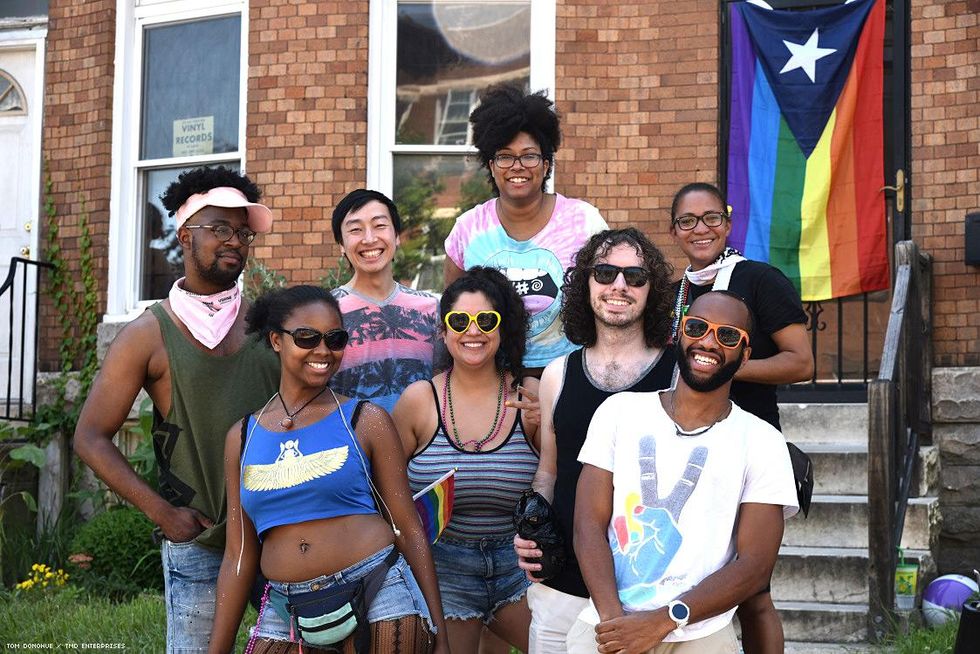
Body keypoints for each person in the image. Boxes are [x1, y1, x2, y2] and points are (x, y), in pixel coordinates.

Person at [73, 166, 280, 653]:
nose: (236, 241)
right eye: (221, 228)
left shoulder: (269, 321)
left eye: (244, 233)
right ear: (185, 234)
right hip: (203, 541)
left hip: (279, 531)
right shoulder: (147, 334)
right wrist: (164, 514)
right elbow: (90, 436)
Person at [208, 285, 448, 654]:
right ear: (276, 340)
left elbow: (407, 527)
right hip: (286, 606)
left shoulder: (365, 420)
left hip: (378, 586)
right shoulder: (242, 436)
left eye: (335, 339)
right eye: (307, 337)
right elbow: (238, 554)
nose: (323, 351)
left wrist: (440, 634)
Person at [571, 291, 799, 654]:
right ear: (680, 333)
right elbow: (587, 524)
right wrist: (616, 624)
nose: (708, 341)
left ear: (744, 355)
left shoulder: (762, 441)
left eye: (727, 336)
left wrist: (663, 621)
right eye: (697, 327)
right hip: (607, 625)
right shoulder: (618, 412)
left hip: (700, 633)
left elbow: (755, 565)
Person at [512, 228, 676, 653]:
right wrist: (531, 528)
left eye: (635, 277)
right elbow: (549, 470)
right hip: (561, 585)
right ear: (585, 283)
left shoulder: (679, 376)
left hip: (649, 591)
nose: (618, 286)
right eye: (604, 273)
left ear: (651, 290)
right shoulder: (557, 375)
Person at [668, 182, 814, 653]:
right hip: (683, 449)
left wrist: (718, 365)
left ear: (727, 224)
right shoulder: (673, 293)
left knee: (752, 590)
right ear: (674, 232)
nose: (700, 229)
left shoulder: (759, 280)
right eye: (687, 221)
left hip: (748, 447)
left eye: (711, 217)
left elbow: (801, 362)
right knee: (687, 579)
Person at [393, 267, 541, 654]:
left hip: (518, 566)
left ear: (502, 328)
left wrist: (545, 428)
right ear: (443, 330)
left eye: (485, 320)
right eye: (459, 320)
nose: (472, 331)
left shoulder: (530, 397)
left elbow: (554, 478)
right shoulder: (418, 400)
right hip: (441, 565)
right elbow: (384, 490)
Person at [444, 84, 608, 375]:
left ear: (546, 164)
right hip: (491, 382)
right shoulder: (467, 230)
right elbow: (450, 315)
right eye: (505, 156)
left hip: (570, 376)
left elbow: (608, 303)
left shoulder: (585, 222)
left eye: (529, 156)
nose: (517, 166)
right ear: (491, 165)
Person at [329, 189, 440, 413]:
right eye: (355, 230)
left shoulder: (431, 309)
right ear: (341, 244)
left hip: (422, 444)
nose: (369, 239)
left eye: (379, 226)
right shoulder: (327, 312)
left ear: (397, 236)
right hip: (350, 443)